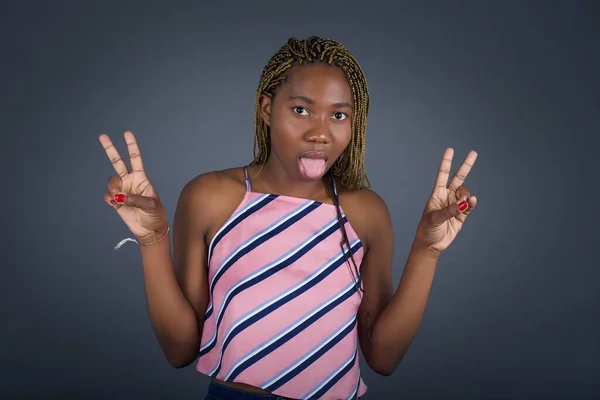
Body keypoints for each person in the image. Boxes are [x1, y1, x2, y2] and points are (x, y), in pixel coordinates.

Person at [99, 36, 478, 400]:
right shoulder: (210, 197)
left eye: (339, 115)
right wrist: (152, 239)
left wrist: (427, 250)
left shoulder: (366, 212)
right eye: (301, 110)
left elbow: (383, 358)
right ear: (266, 108)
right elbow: (180, 350)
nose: (319, 133)